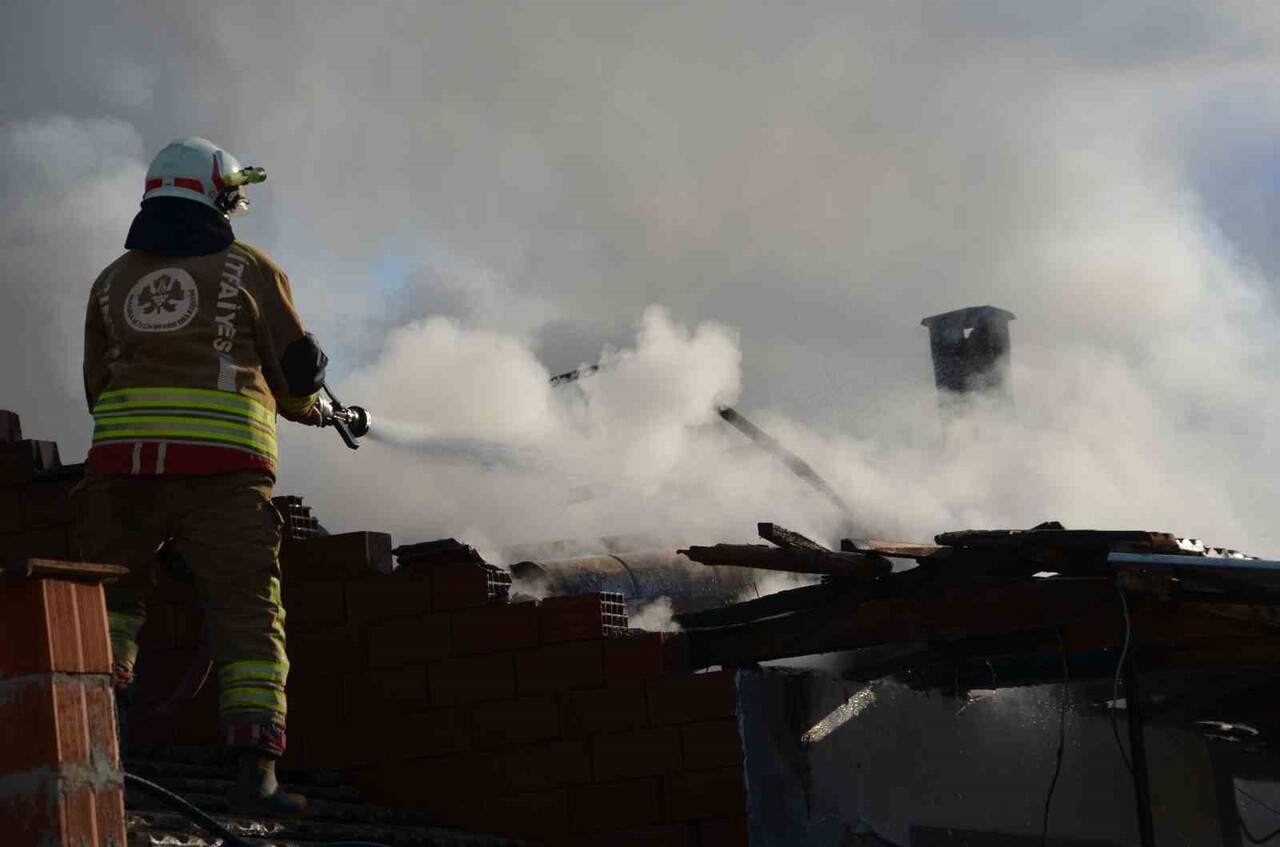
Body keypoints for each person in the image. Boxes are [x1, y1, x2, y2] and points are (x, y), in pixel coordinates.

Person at [72, 137, 329, 818]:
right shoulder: (250, 269)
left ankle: (104, 751)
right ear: (216, 193)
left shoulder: (110, 281)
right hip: (224, 478)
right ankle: (256, 777)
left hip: (120, 472)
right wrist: (315, 409)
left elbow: (99, 386)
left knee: (111, 609)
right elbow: (297, 375)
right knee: (247, 618)